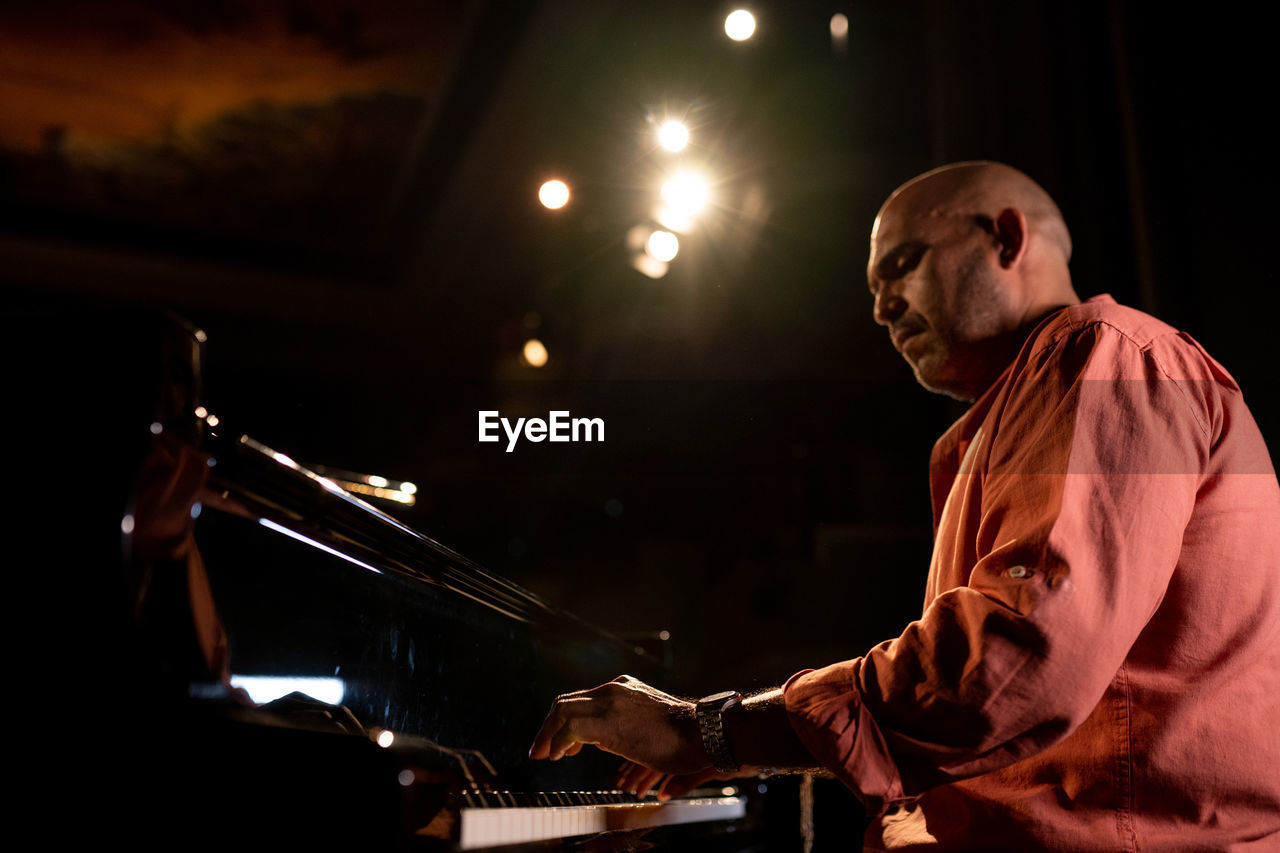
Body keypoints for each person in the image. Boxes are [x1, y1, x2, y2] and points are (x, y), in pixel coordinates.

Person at [528, 162, 1280, 850]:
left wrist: (709, 731)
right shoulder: (1017, 412)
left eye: (901, 265)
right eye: (875, 290)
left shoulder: (1104, 356)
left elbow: (1014, 664)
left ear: (1006, 237)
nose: (884, 308)